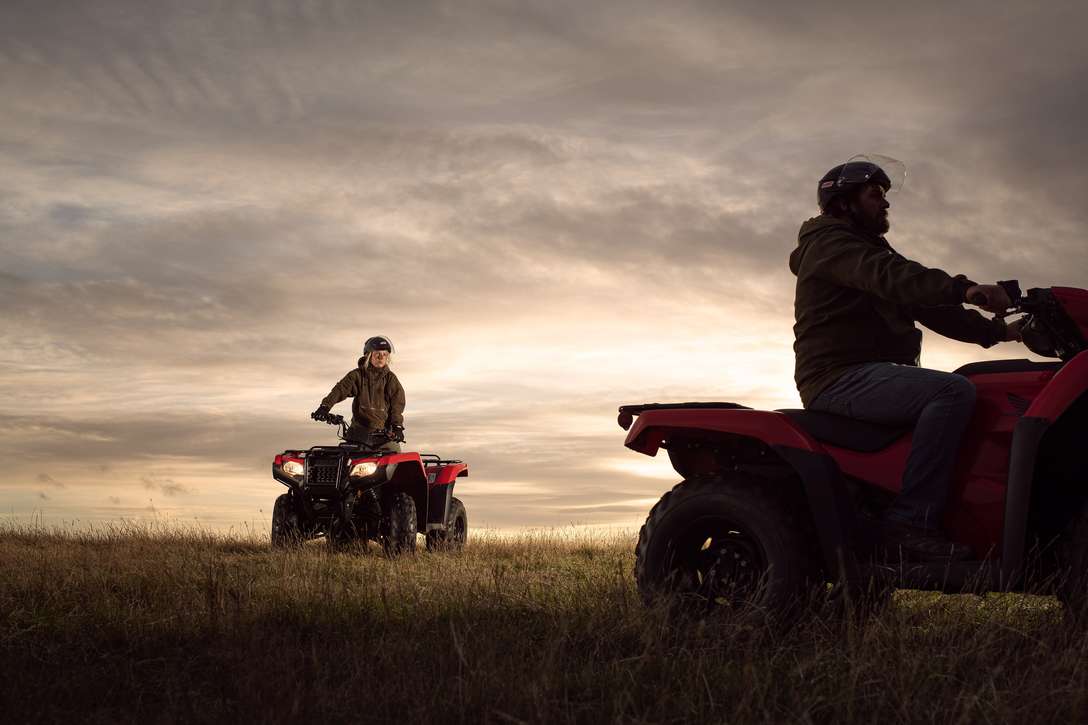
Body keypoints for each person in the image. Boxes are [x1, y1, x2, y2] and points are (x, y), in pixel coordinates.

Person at [790, 157, 1024, 561]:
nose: (885, 204)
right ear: (844, 202)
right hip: (837, 377)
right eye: (875, 194)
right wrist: (965, 288)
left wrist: (1004, 332)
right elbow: (893, 275)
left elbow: (929, 307)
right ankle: (911, 523)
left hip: (871, 375)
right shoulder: (831, 245)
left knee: (978, 390)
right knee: (951, 393)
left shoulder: (865, 250)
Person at [310, 335, 405, 452]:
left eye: (384, 354)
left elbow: (397, 404)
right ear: (369, 355)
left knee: (395, 459)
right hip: (359, 433)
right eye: (377, 354)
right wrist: (325, 407)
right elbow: (340, 389)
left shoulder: (390, 379)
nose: (381, 357)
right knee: (346, 459)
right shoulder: (357, 376)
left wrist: (397, 427)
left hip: (383, 435)